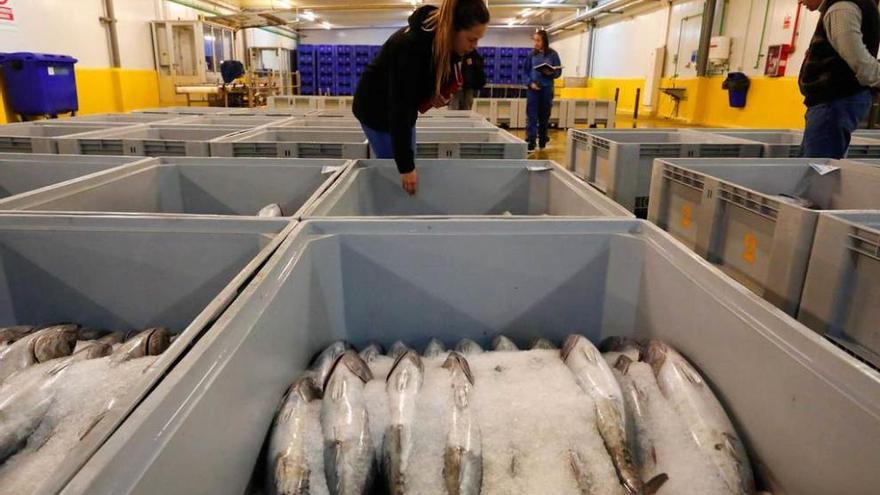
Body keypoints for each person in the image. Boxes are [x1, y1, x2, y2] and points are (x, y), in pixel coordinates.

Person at [353, 0, 490, 195]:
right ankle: (389, 212)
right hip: (376, 109)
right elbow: (399, 108)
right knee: (396, 172)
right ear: (452, 29)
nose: (474, 46)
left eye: (478, 39)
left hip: (399, 107)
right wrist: (405, 168)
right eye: (471, 39)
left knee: (408, 162)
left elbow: (426, 80)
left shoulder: (444, 40)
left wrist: (431, 95)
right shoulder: (409, 47)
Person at [798, 0, 880, 158]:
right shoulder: (840, 8)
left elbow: (861, 63)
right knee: (808, 168)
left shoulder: (841, 8)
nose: (799, 1)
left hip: (833, 103)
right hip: (831, 104)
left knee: (818, 172)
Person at [524, 29, 562, 152]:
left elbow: (558, 72)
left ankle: (542, 140)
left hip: (546, 89)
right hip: (533, 90)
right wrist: (530, 83)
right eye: (534, 40)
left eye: (538, 40)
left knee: (544, 116)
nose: (536, 43)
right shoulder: (531, 55)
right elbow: (525, 72)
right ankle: (531, 140)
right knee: (532, 116)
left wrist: (551, 73)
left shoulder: (553, 55)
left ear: (544, 41)